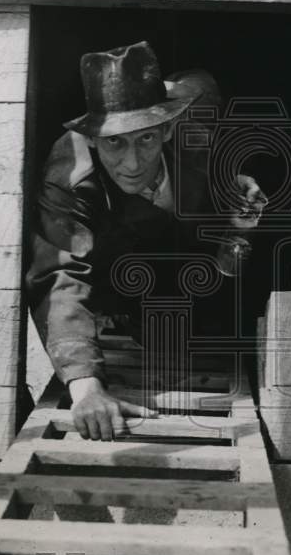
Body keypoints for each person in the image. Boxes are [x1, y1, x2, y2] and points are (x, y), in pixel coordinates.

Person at [25, 40, 265, 440]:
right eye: (114, 141)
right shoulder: (69, 174)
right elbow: (60, 273)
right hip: (115, 280)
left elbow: (201, 88)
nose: (132, 164)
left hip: (189, 274)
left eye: (146, 139)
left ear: (169, 128)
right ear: (92, 135)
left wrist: (237, 230)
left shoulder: (201, 144)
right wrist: (86, 385)